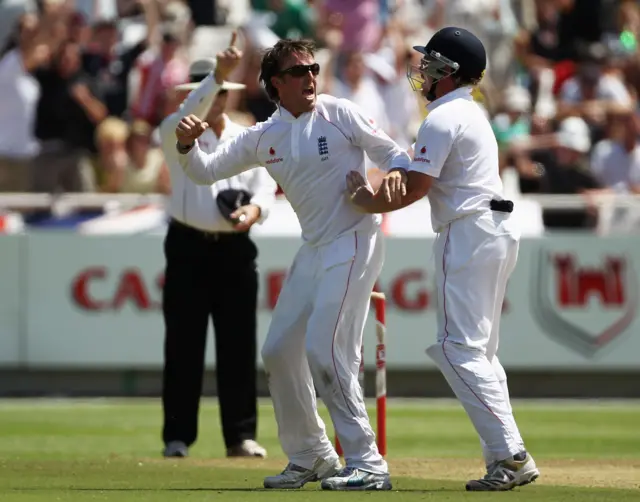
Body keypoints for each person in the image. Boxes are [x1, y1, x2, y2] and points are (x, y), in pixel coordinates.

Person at [174, 34, 412, 491]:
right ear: (274, 84)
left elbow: (394, 154)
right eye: (298, 72)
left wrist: (394, 175)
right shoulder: (265, 136)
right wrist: (188, 147)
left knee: (325, 349)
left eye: (313, 69)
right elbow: (205, 170)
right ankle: (311, 455)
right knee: (278, 351)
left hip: (356, 239)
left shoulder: (339, 112)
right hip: (315, 248)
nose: (310, 78)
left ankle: (366, 462)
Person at [344, 26, 540, 491]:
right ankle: (503, 457)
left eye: (429, 63)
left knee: (457, 349)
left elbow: (415, 189)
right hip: (492, 229)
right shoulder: (468, 113)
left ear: (447, 72)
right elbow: (415, 178)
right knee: (480, 353)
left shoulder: (442, 117)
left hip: (469, 231)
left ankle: (511, 454)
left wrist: (364, 200)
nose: (421, 71)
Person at [158, 54, 277, 460]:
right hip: (188, 245)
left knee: (239, 347)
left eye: (220, 92)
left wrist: (255, 212)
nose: (212, 100)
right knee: (183, 347)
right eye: (205, 93)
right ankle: (177, 437)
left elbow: (264, 188)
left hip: (235, 249)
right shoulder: (174, 132)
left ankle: (240, 436)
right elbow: (187, 120)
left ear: (228, 96)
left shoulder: (246, 136)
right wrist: (216, 77)